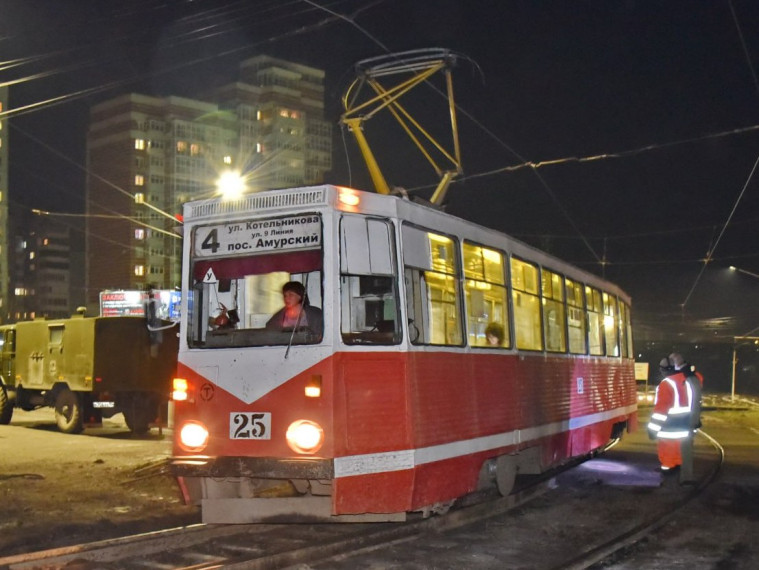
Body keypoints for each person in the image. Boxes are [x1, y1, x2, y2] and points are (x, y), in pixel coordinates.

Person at [647, 353, 704, 484]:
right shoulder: (691, 380)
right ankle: (681, 472)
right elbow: (699, 379)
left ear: (666, 370)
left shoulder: (666, 384)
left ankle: (667, 472)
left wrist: (653, 429)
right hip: (688, 426)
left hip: (669, 428)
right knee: (683, 451)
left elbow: (660, 411)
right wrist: (687, 369)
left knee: (668, 453)